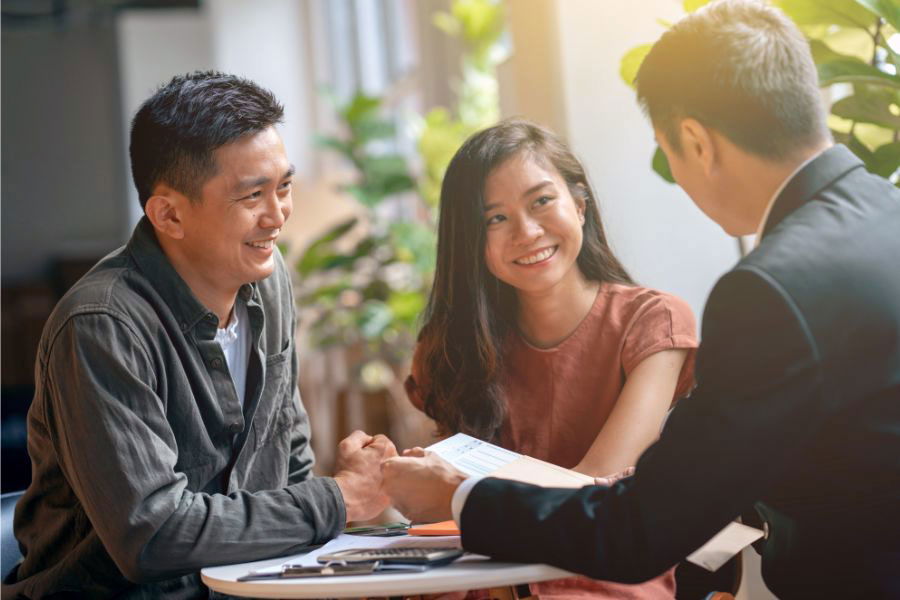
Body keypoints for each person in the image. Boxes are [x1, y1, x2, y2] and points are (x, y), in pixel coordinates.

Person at [382, 1, 900, 598]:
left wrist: (458, 495)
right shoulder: (883, 217)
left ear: (694, 141)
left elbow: (641, 528)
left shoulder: (769, 290)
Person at [4, 71, 396, 599]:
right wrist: (340, 500)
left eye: (283, 187)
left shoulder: (267, 275)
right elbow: (154, 535)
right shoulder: (102, 325)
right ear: (168, 213)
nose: (277, 216)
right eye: (252, 195)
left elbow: (289, 455)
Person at [403, 119, 697, 598]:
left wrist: (454, 493)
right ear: (470, 241)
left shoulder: (653, 322)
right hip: (480, 580)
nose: (527, 231)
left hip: (601, 582)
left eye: (542, 201)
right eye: (494, 218)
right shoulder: (451, 349)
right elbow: (440, 513)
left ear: (579, 205)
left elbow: (592, 495)